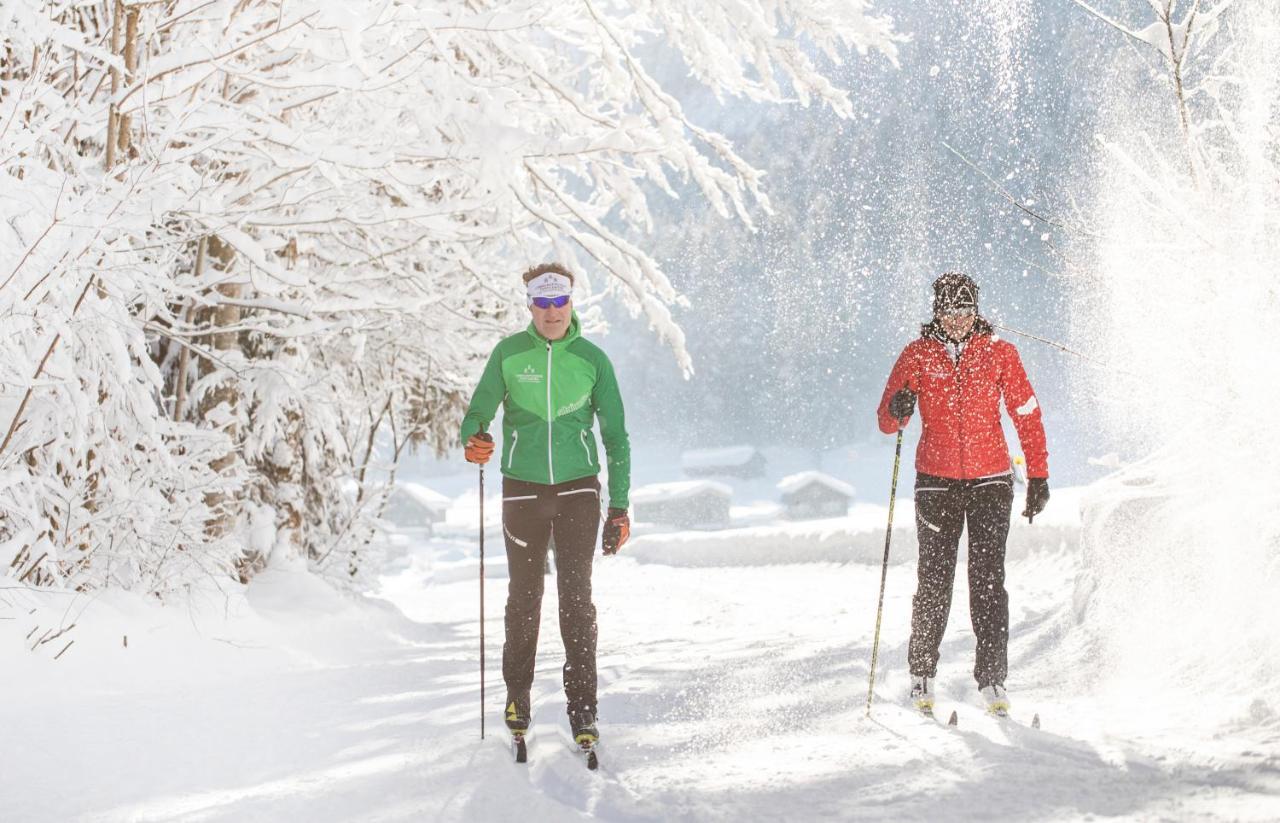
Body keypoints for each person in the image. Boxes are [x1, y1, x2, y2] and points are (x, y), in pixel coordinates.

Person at [460, 263, 631, 749]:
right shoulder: (509, 354)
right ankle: (518, 697)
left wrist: (619, 507)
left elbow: (616, 437)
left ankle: (584, 709)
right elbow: (478, 411)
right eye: (543, 303)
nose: (552, 312)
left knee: (576, 601)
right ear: (531, 305)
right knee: (525, 598)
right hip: (523, 490)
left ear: (571, 304)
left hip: (579, 490)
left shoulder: (593, 359)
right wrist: (473, 438)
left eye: (560, 302)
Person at [876, 272, 1050, 716]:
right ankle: (921, 674)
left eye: (966, 310)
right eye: (950, 311)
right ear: (937, 312)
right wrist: (898, 408)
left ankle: (992, 680)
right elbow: (886, 420)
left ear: (977, 311)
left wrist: (1039, 475)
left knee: (988, 582)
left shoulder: (999, 354)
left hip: (991, 482)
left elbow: (1026, 413)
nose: (958, 319)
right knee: (934, 582)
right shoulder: (917, 356)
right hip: (936, 483)